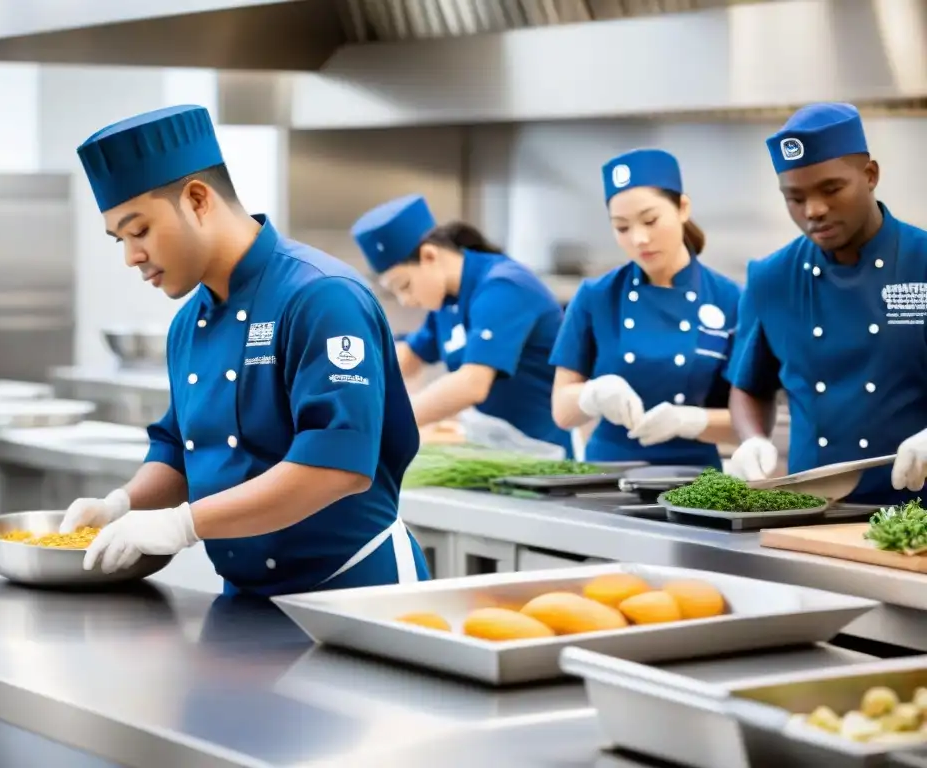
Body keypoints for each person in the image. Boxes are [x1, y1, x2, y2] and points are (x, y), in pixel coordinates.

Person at [60, 105, 430, 595]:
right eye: (119, 240)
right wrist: (121, 506)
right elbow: (178, 449)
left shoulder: (321, 296)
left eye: (140, 230)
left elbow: (335, 468)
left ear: (197, 199)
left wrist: (182, 526)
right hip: (245, 598)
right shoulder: (188, 324)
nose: (132, 257)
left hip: (356, 592)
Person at [728, 102, 927, 504]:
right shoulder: (771, 277)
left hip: (918, 516)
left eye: (831, 189)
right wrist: (751, 440)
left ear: (870, 176)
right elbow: (749, 387)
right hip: (811, 514)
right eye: (794, 198)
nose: (814, 210)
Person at [550, 149, 741, 467]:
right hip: (606, 475)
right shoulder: (595, 296)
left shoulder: (731, 299)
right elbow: (562, 411)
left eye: (651, 220)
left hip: (694, 480)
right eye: (622, 228)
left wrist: (690, 421)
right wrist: (592, 395)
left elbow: (750, 423)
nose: (639, 239)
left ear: (682, 208)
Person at [350, 194, 573, 457]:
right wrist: (350, 390)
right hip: (495, 454)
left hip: (544, 455)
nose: (405, 301)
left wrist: (383, 424)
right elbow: (409, 356)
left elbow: (472, 384)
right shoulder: (446, 300)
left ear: (430, 256)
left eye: (404, 286)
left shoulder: (503, 288)